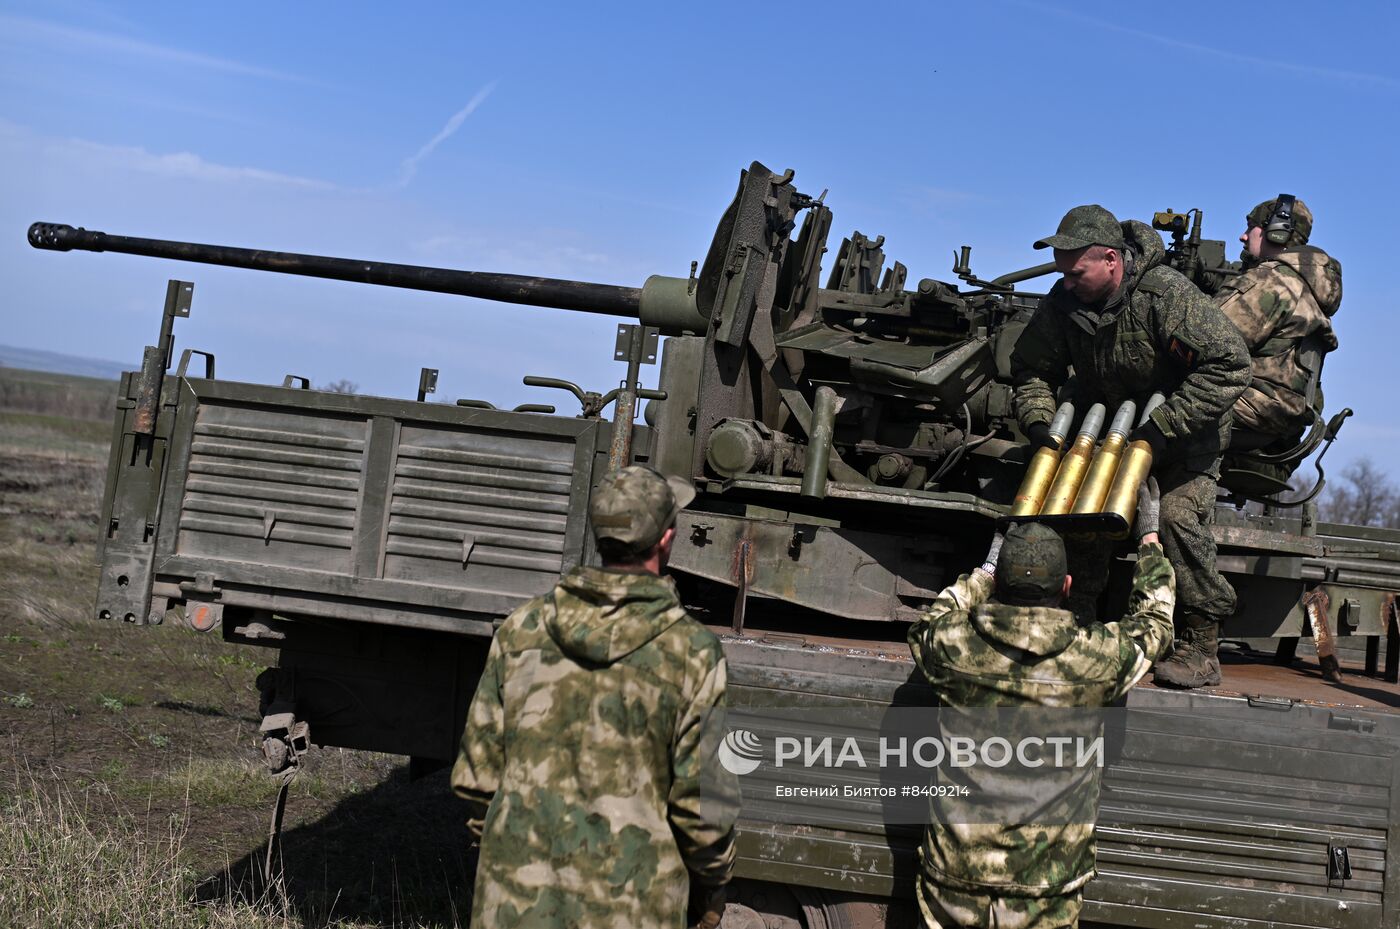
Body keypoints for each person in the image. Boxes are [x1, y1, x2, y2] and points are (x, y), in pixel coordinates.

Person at [451, 465, 739, 929]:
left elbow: (477, 779)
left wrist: (506, 853)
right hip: (634, 908)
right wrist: (712, 888)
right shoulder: (692, 653)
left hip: (513, 900)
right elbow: (704, 813)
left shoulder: (521, 628)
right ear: (666, 541)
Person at [907, 480, 1175, 928]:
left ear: (1002, 585)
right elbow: (1155, 624)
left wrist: (985, 572)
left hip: (955, 877)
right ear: (1067, 586)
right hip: (1044, 891)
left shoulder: (953, 646)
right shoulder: (1097, 658)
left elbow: (932, 619)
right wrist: (1148, 540)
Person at [1010, 204, 1250, 689]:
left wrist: (1164, 426)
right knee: (1075, 513)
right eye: (1063, 272)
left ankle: (1201, 646)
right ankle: (1077, 626)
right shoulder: (1064, 302)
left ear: (1112, 261)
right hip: (1107, 437)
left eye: (1077, 271)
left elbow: (1230, 363)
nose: (1066, 281)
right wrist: (1039, 423)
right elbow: (1032, 369)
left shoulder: (1165, 296)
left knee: (1179, 521)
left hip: (1183, 443)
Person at [1214, 195, 1342, 453]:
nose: (1243, 236)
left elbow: (1209, 339)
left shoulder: (1272, 281)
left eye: (1251, 227)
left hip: (1248, 406)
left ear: (1277, 232)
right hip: (1280, 418)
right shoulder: (1308, 286)